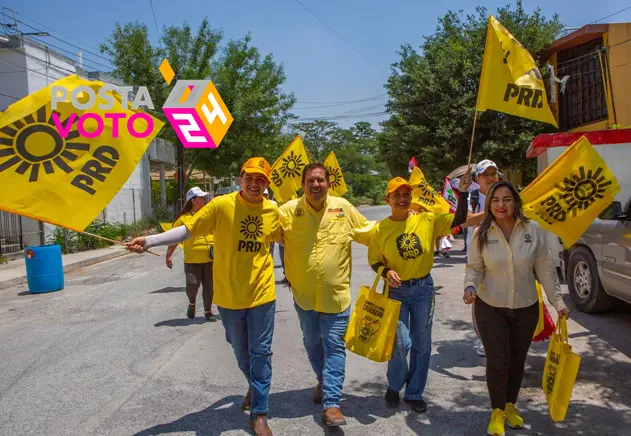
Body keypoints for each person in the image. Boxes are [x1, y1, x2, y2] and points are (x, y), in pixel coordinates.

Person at [126, 158, 280, 436]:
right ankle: (255, 384)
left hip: (262, 294)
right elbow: (188, 229)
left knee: (261, 352)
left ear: (267, 184)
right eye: (250, 178)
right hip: (229, 296)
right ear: (241, 177)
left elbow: (291, 239)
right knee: (240, 350)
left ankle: (260, 413)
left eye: (261, 180)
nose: (255, 184)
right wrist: (149, 241)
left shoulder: (273, 210)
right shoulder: (221, 205)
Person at [462, 180, 570, 436]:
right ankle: (497, 411)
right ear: (489, 204)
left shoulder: (533, 230)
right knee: (498, 360)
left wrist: (559, 303)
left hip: (526, 307)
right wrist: (470, 287)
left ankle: (510, 405)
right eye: (496, 200)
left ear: (515, 202)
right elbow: (475, 268)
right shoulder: (481, 232)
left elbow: (545, 270)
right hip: (491, 307)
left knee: (517, 361)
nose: (501, 205)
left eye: (507, 199)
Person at [278, 163, 375, 427]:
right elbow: (264, 234)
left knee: (334, 346)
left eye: (320, 180)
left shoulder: (343, 208)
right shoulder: (287, 212)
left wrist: (403, 219)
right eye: (311, 180)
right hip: (304, 297)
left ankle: (332, 403)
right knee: (312, 342)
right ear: (302, 184)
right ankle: (323, 380)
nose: (316, 185)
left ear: (328, 183)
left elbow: (371, 232)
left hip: (336, 296)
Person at [367, 172, 472, 413]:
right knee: (400, 343)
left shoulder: (426, 220)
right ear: (388, 199)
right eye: (397, 195)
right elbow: (374, 261)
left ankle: (414, 392)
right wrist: (385, 272)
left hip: (423, 289)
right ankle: (395, 384)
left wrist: (463, 194)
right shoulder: (380, 229)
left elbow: (459, 218)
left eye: (406, 194)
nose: (402, 199)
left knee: (422, 344)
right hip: (396, 292)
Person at [165, 186, 219, 322]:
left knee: (209, 286)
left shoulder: (209, 214)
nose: (205, 200)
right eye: (201, 198)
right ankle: (192, 303)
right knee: (192, 284)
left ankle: (208, 312)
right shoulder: (183, 218)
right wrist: (169, 255)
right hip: (192, 259)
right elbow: (175, 237)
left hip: (210, 258)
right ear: (193, 201)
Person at [465, 159, 501, 358]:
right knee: (479, 299)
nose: (490, 178)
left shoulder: (505, 194)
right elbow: (466, 220)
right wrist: (491, 211)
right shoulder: (472, 196)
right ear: (477, 178)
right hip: (477, 255)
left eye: (493, 173)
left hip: (502, 254)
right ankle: (483, 339)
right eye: (485, 174)